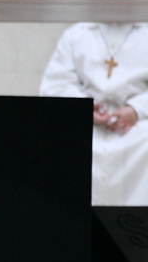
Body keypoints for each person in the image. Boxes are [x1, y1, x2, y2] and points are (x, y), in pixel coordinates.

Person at [41, 22, 148, 205]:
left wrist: (136, 109)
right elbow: (56, 84)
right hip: (84, 123)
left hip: (138, 127)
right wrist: (84, 107)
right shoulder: (77, 33)